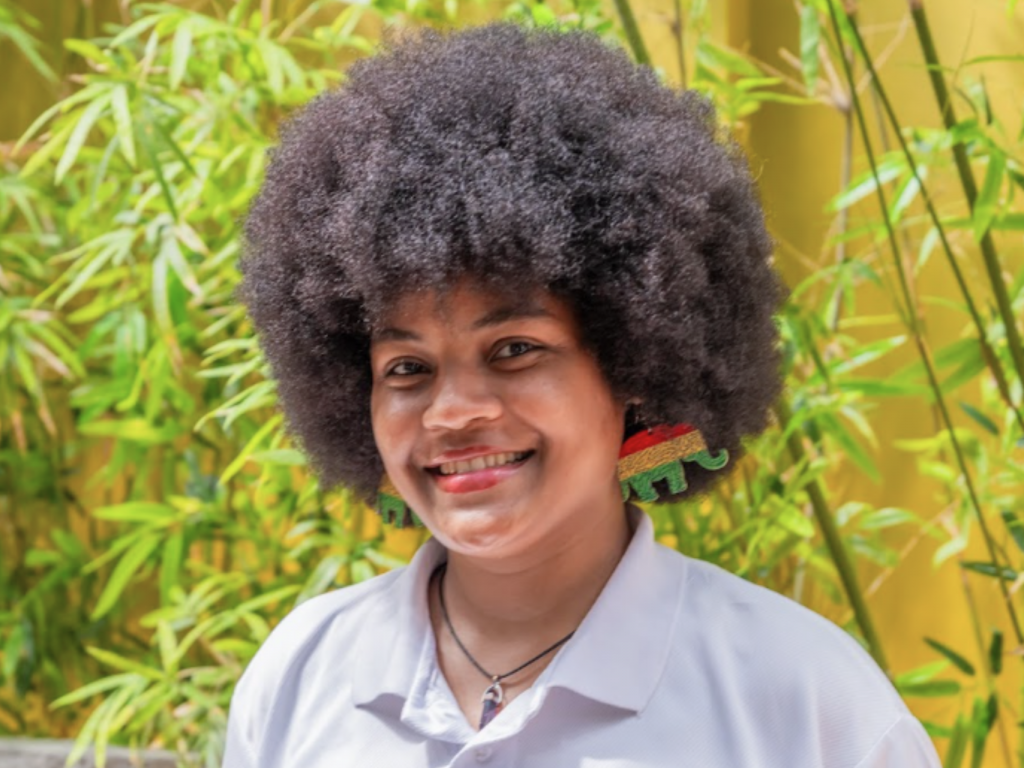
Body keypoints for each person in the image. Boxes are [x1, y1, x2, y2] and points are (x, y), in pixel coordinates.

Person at [223, 22, 941, 768]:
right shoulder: (301, 676)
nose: (453, 411)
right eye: (406, 367)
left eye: (515, 350)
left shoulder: (805, 704)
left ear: (635, 364)